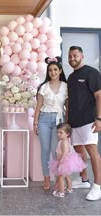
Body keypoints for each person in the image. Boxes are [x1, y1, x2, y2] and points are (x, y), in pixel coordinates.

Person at [67, 46, 101, 201]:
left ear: (82, 55)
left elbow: (99, 96)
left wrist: (99, 118)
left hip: (89, 120)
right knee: (79, 152)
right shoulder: (71, 77)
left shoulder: (92, 73)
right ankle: (84, 180)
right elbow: (70, 102)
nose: (72, 58)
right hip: (74, 122)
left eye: (75, 55)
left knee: (92, 151)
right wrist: (68, 122)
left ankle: (98, 186)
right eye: (70, 56)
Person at [33, 56, 68, 190]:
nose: (52, 72)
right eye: (50, 70)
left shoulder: (66, 87)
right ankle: (46, 178)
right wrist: (35, 123)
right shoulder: (43, 87)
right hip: (44, 120)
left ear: (60, 71)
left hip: (59, 121)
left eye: (55, 70)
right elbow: (38, 106)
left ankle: (59, 179)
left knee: (57, 151)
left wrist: (67, 125)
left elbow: (68, 107)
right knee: (45, 151)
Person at [49, 123, 87, 198]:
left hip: (63, 162)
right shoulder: (64, 140)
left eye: (61, 133)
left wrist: (60, 163)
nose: (58, 134)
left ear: (67, 134)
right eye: (57, 132)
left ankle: (61, 192)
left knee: (60, 177)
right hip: (65, 161)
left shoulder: (64, 142)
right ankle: (69, 189)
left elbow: (65, 153)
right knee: (67, 176)